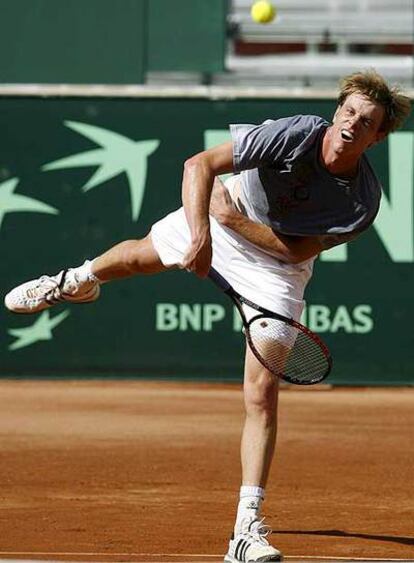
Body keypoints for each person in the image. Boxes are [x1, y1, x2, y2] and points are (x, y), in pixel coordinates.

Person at [4, 70, 411, 563]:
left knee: (261, 394)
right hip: (226, 206)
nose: (352, 123)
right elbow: (200, 165)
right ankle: (74, 281)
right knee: (135, 259)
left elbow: (297, 248)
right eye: (348, 111)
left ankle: (246, 529)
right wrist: (201, 234)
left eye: (366, 122)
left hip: (275, 265)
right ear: (336, 111)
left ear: (378, 136)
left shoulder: (361, 202)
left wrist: (228, 222)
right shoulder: (295, 131)